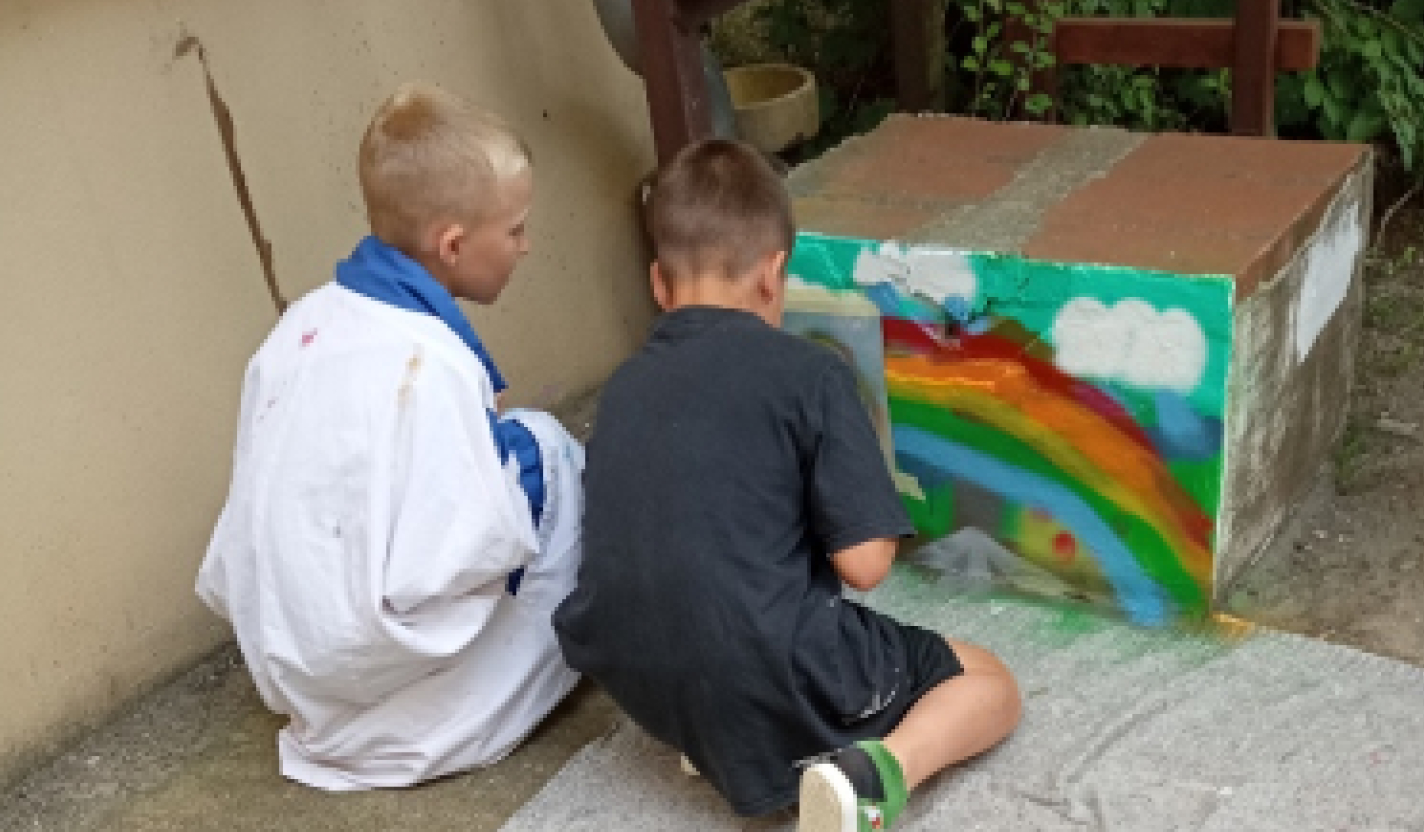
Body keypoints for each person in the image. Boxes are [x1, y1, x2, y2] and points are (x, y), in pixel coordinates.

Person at [553, 138, 1021, 831]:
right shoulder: (812, 375)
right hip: (762, 662)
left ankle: (721, 738)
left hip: (634, 674)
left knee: (725, 627)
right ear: (773, 276)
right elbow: (865, 566)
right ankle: (870, 779)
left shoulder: (623, 387)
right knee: (988, 682)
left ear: (658, 284)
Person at [197, 82, 584, 790]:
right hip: (404, 700)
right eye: (516, 230)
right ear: (453, 245)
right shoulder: (433, 364)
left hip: (299, 669)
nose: (526, 247)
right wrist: (522, 477)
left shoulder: (298, 327)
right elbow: (462, 557)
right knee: (552, 452)